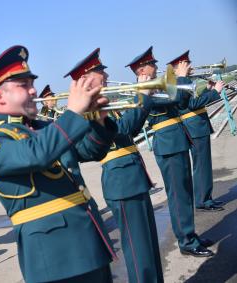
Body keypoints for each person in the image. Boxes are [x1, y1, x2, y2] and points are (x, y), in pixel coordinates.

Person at [0, 45, 118, 283]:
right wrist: (73, 112)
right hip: (55, 256)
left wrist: (98, 121)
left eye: (32, 83)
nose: (33, 90)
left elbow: (88, 151)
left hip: (89, 240)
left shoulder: (44, 128)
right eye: (24, 85)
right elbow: (38, 155)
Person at [67, 47, 163, 282]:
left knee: (149, 247)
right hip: (122, 183)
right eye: (101, 73)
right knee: (139, 252)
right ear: (87, 79)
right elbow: (123, 130)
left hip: (132, 179)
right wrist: (144, 95)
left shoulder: (105, 104)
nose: (107, 77)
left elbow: (132, 130)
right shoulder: (88, 111)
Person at [126, 47, 214, 257]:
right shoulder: (144, 91)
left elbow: (182, 100)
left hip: (176, 142)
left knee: (185, 192)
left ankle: (190, 235)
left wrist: (181, 80)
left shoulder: (157, 86)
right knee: (178, 196)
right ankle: (186, 241)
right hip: (168, 146)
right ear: (141, 70)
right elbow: (176, 100)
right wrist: (181, 77)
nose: (157, 66)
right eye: (152, 64)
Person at [168, 51, 225, 211]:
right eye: (187, 64)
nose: (191, 66)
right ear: (180, 66)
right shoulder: (180, 83)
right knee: (201, 166)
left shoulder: (184, 82)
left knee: (203, 165)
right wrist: (215, 93)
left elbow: (193, 102)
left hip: (197, 125)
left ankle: (206, 198)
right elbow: (191, 105)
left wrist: (207, 90)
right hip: (194, 127)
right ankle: (203, 200)